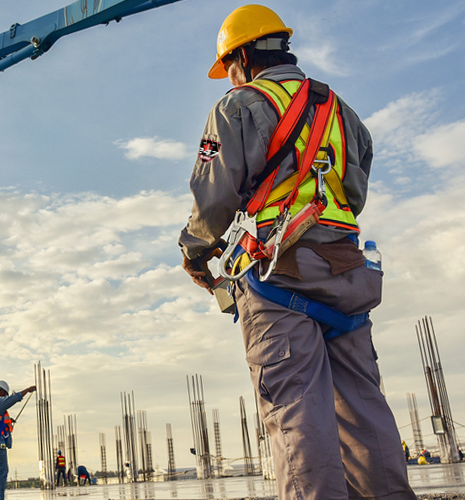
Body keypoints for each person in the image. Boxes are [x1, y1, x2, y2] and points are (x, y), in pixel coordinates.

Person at [179, 5, 416, 500]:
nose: (230, 78)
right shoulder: (340, 109)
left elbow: (215, 196)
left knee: (296, 410)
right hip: (348, 271)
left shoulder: (238, 106)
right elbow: (354, 189)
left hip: (278, 275)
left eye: (230, 68)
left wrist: (196, 250)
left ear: (242, 55)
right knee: (363, 405)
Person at [0, 380, 35, 500]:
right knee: (2, 471)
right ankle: (0, 498)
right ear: (1, 391)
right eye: (5, 394)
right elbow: (13, 399)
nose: (5, 397)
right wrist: (28, 390)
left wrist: (7, 421)